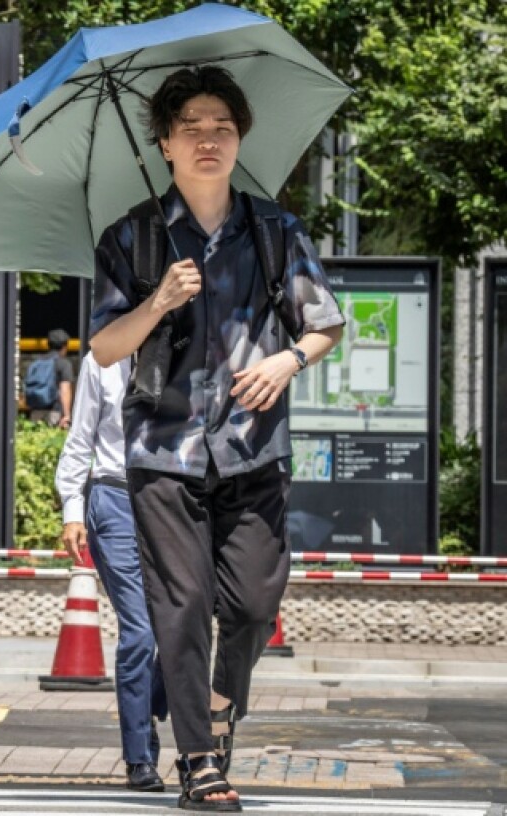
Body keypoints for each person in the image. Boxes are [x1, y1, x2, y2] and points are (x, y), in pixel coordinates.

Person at [88, 66, 345, 812]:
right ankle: (199, 760)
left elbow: (324, 324)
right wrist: (160, 299)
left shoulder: (275, 230)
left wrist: (287, 360)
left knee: (257, 603)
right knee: (182, 601)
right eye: (191, 127)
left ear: (239, 140)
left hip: (253, 447)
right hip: (162, 453)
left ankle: (224, 700)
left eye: (222, 127)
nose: (208, 138)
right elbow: (105, 347)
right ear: (164, 143)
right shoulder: (131, 238)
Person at [55, 352, 168, 793]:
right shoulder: (101, 360)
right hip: (114, 498)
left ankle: (148, 706)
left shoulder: (187, 354)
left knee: (182, 630)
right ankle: (139, 755)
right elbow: (80, 437)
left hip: (171, 501)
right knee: (140, 632)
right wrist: (72, 508)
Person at [25, 328, 75, 428]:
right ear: (65, 346)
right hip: (54, 412)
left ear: (48, 344)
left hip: (35, 412)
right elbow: (65, 390)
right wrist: (67, 415)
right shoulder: (63, 364)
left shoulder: (36, 363)